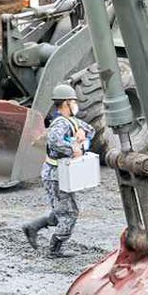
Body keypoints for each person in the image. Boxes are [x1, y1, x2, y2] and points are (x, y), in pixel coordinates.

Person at [22, 83, 95, 258]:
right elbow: (54, 142)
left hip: (63, 174)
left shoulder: (72, 121)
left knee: (62, 209)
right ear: (66, 103)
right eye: (73, 101)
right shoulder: (60, 124)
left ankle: (32, 227)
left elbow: (90, 130)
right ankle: (54, 250)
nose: (75, 105)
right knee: (69, 213)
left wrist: (83, 136)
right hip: (55, 175)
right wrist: (74, 149)